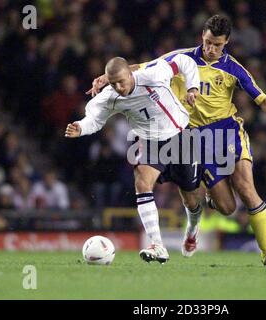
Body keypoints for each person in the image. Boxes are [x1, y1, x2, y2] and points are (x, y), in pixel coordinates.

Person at [88, 15, 266, 267]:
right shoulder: (182, 58)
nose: (210, 49)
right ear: (202, 37)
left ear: (226, 42)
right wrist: (106, 77)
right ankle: (205, 206)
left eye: (216, 45)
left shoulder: (232, 68)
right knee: (227, 207)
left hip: (227, 132)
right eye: (207, 42)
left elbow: (258, 95)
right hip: (194, 137)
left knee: (247, 190)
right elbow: (142, 67)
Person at [66, 55, 203, 264]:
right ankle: (158, 245)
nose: (119, 87)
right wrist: (81, 127)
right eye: (113, 83)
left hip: (181, 134)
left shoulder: (153, 75)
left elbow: (184, 61)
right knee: (141, 182)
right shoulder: (110, 97)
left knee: (191, 198)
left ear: (131, 73)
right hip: (150, 141)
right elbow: (94, 119)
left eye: (122, 81)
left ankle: (192, 232)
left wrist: (193, 87)